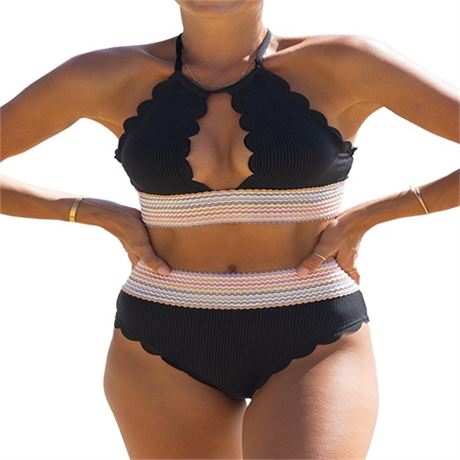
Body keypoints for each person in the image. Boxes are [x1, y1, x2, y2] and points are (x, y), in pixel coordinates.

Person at [1, 0, 459, 458]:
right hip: (160, 340)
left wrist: (369, 216)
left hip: (314, 331)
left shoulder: (346, 63)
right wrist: (90, 211)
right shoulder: (104, 74)